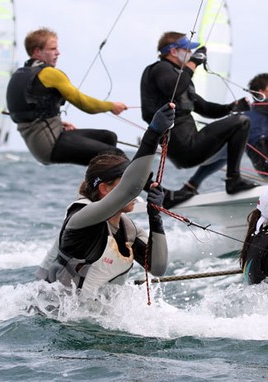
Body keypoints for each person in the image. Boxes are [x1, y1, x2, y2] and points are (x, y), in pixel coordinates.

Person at [36, 103, 175, 297]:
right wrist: (152, 134)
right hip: (52, 319)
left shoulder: (129, 231)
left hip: (89, 320)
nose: (136, 194)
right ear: (104, 189)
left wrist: (155, 217)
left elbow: (158, 269)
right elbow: (130, 188)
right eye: (123, 181)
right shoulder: (80, 218)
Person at [140, 31, 258, 205]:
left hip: (190, 147)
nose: (190, 53)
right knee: (242, 122)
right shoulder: (160, 69)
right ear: (173, 51)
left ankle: (190, 186)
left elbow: (205, 108)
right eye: (187, 50)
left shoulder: (179, 75)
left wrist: (232, 107)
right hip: (184, 147)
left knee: (232, 146)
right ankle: (233, 180)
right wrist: (194, 62)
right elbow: (174, 88)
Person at [6, 27, 128, 167]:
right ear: (37, 52)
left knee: (108, 137)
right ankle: (148, 185)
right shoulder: (49, 74)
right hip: (51, 145)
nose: (58, 53)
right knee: (115, 156)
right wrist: (112, 106)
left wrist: (56, 122)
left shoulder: (19, 75)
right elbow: (85, 103)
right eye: (52, 49)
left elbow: (26, 111)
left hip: (43, 143)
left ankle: (99, 183)